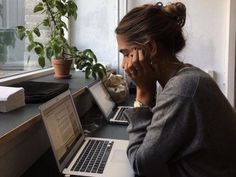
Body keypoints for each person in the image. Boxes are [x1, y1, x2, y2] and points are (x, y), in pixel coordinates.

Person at [115, 1, 236, 177]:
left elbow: (141, 165)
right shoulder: (186, 76)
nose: (124, 65)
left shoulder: (183, 89)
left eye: (126, 54)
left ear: (149, 48)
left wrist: (143, 94)